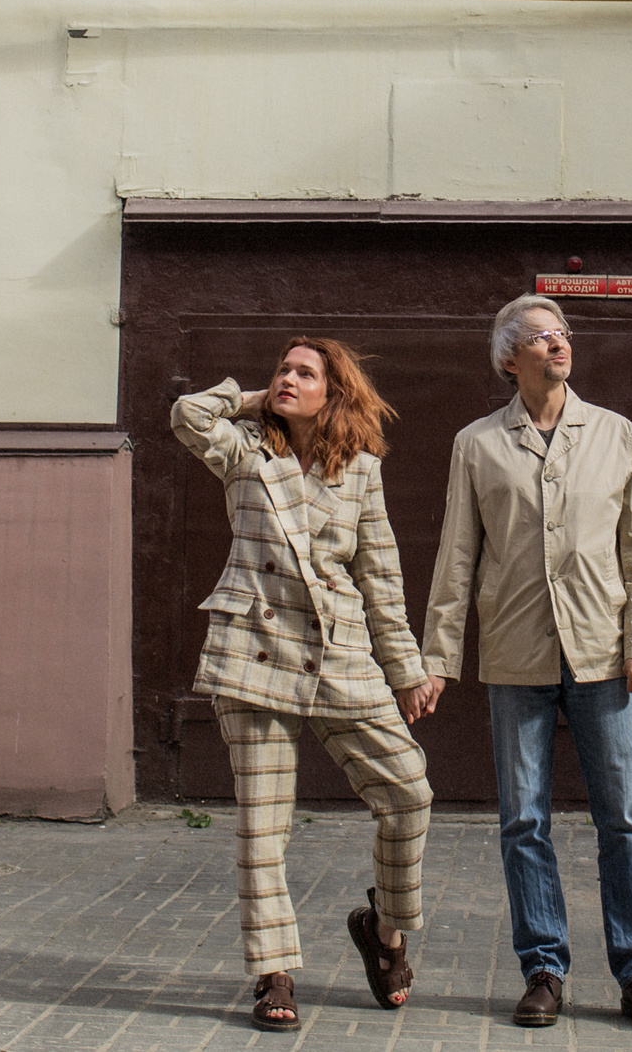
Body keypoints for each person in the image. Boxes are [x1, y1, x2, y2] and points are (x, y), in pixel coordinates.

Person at [408, 295, 632, 1032]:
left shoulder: (615, 433)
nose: (555, 344)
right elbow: (457, 555)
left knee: (622, 816)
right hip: (516, 653)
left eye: (561, 333)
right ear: (508, 358)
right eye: (538, 336)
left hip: (603, 652)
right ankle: (543, 968)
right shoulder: (478, 443)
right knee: (523, 818)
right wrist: (437, 658)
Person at [171, 339, 434, 1032]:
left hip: (340, 651)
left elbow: (381, 576)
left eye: (304, 372)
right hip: (254, 651)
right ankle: (275, 971)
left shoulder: (363, 473)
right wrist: (254, 400)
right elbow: (186, 414)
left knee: (410, 791)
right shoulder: (245, 449)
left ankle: (385, 930)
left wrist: (405, 668)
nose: (287, 377)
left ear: (335, 391)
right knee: (265, 826)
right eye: (282, 368)